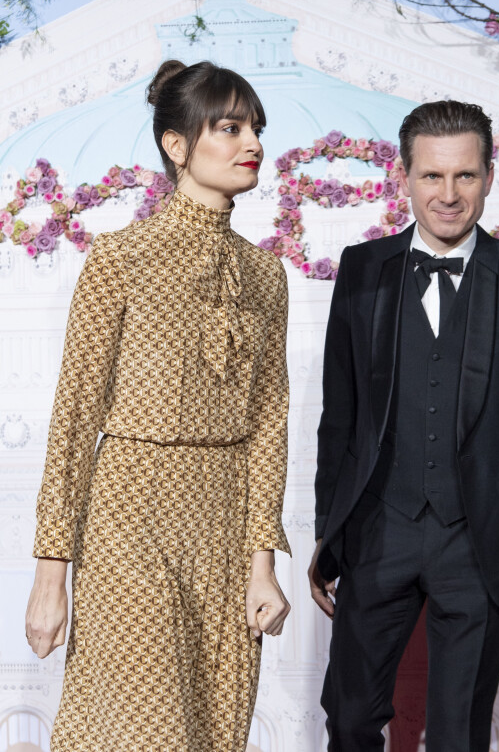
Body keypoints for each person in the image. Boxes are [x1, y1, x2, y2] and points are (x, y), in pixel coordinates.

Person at [25, 59, 291, 752]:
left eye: (255, 128)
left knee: (212, 729)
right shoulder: (120, 257)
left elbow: (268, 421)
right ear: (177, 145)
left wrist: (263, 563)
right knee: (145, 732)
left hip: (226, 525)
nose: (251, 142)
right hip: (129, 517)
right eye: (230, 127)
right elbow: (75, 415)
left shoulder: (265, 273)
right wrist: (51, 576)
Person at [308, 100, 499, 751]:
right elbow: (338, 419)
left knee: (458, 734)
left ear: (489, 177)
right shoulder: (362, 271)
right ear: (403, 177)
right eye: (432, 176)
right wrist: (329, 538)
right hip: (378, 533)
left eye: (464, 176)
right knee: (349, 719)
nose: (448, 194)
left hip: (480, 541)